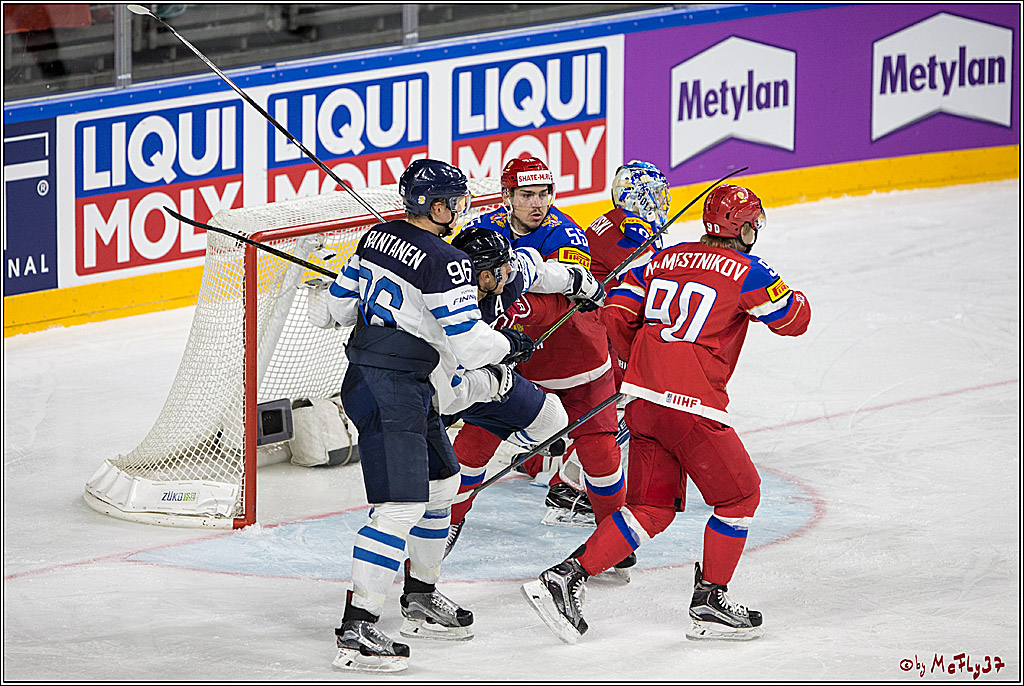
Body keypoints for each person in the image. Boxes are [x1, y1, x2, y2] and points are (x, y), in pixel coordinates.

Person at [521, 184, 811, 644]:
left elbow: (616, 314)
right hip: (691, 405)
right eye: (753, 222)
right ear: (744, 228)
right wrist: (787, 292)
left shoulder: (663, 257)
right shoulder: (748, 271)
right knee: (739, 497)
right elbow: (793, 321)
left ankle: (562, 578)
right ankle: (711, 600)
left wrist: (642, 364)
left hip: (639, 398)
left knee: (651, 508)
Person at [323, 158, 535, 673]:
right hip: (390, 387)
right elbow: (467, 341)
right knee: (399, 507)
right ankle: (357, 629)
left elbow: (335, 312)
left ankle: (419, 596)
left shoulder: (374, 237)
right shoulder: (448, 260)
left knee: (444, 484)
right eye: (457, 202)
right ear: (436, 206)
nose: (461, 210)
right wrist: (509, 343)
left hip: (390, 381)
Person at [453, 157, 628, 544]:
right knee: (473, 441)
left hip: (578, 359)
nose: (538, 203)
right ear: (506, 197)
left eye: (544, 193)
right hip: (518, 363)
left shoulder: (566, 233)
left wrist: (503, 298)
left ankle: (612, 535)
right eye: (527, 195)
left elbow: (562, 295)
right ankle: (446, 526)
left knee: (600, 450)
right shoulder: (480, 231)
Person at [443, 226, 604, 555]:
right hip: (450, 381)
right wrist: (505, 349)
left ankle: (521, 453)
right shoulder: (445, 306)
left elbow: (540, 270)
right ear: (483, 277)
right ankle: (443, 521)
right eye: (501, 269)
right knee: (451, 468)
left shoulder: (510, 272)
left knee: (548, 422)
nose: (509, 272)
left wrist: (581, 283)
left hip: (488, 382)